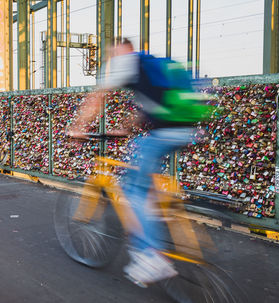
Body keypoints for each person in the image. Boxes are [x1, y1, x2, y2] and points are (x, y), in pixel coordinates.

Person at [68, 38, 200, 286]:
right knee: (146, 173)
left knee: (132, 191)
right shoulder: (150, 67)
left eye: (111, 55)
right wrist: (125, 128)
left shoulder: (127, 62)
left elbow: (98, 96)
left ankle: (150, 256)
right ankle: (160, 214)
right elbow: (150, 106)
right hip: (186, 129)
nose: (111, 60)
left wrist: (78, 127)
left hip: (165, 133)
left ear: (121, 50)